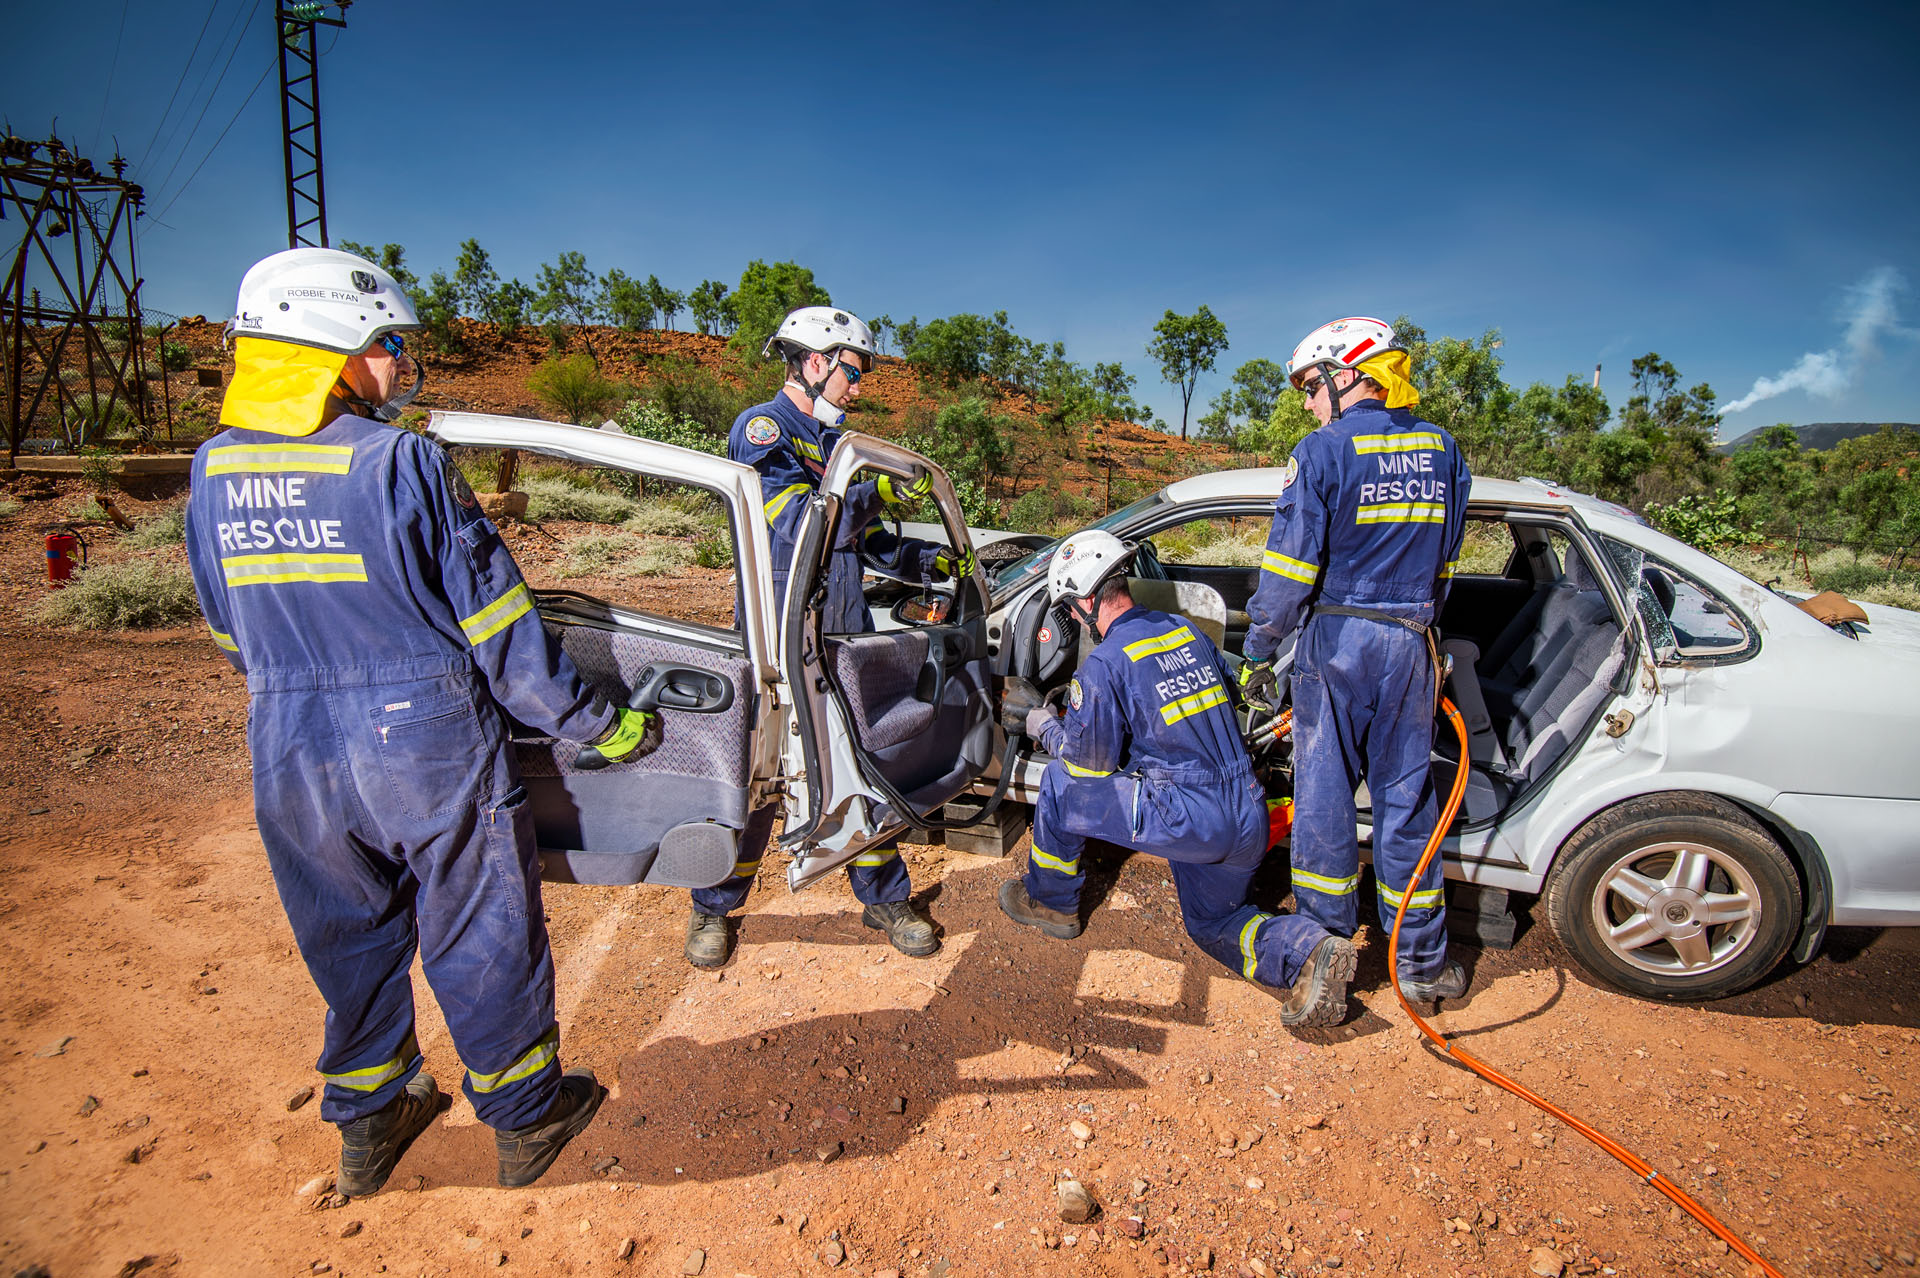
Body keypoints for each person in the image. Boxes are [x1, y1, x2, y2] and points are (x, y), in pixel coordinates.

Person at [184, 248, 652, 1195]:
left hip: (286, 739)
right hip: (423, 735)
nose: (401, 362)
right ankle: (525, 1116)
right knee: (478, 921)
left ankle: (371, 1114)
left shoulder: (214, 471)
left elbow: (226, 629)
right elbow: (502, 632)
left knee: (344, 929)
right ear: (327, 348)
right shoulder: (400, 460)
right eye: (386, 343)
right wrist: (596, 725)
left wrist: (299, 680)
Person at [684, 305, 970, 969]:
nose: (858, 386)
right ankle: (711, 908)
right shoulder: (762, 431)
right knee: (757, 776)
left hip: (841, 635)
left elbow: (865, 541)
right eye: (851, 371)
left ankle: (884, 895)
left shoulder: (843, 452)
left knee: (859, 768)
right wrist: (874, 497)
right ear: (813, 362)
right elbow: (798, 525)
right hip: (775, 639)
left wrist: (930, 563)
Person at [994, 531, 1353, 1027]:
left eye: (1072, 611)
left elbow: (1086, 765)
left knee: (1059, 782)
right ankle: (1306, 951)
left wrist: (1040, 722)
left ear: (1086, 601)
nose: (1074, 620)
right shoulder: (1184, 630)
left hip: (1189, 818)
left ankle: (1051, 903)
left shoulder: (1105, 664)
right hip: (1246, 810)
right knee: (1212, 923)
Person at [1237, 316, 1474, 1021]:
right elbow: (1448, 564)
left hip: (1337, 647)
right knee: (1407, 807)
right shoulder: (1444, 449)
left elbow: (1285, 575)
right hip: (1410, 643)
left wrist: (1256, 656)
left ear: (1350, 374)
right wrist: (1420, 633)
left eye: (1312, 386)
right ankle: (1424, 969)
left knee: (1324, 808)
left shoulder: (1320, 452)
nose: (1308, 402)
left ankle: (1325, 962)